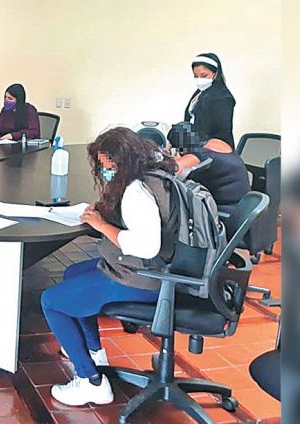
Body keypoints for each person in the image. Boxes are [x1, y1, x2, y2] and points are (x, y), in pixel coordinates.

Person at [41, 128, 178, 406]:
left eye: (108, 165)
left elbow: (146, 246)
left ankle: (90, 381)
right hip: (161, 271)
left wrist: (102, 225)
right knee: (72, 274)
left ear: (122, 161)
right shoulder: (152, 175)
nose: (105, 171)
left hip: (144, 279)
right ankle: (94, 353)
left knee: (52, 301)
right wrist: (105, 212)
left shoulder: (136, 191)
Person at [168, 122, 250, 214]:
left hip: (224, 213)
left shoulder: (200, 155)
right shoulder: (217, 143)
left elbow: (173, 169)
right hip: (242, 207)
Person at [183, 53, 236, 149]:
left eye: (204, 75)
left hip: (215, 151)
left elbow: (221, 134)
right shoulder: (200, 93)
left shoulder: (223, 98)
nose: (199, 79)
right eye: (196, 76)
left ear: (215, 73)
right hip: (197, 148)